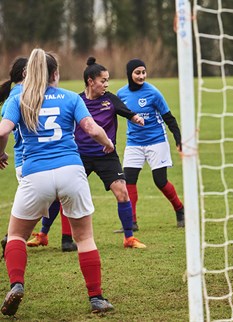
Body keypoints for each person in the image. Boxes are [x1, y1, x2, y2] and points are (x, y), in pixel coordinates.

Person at [0, 49, 114, 315]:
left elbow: (4, 130)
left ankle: (16, 284)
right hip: (71, 171)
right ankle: (96, 298)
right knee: (84, 238)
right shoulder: (71, 97)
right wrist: (107, 142)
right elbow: (91, 128)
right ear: (55, 74)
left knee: (16, 235)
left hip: (35, 174)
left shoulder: (20, 98)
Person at [29, 57, 147, 249]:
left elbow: (127, 112)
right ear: (91, 81)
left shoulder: (110, 99)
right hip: (79, 156)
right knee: (59, 195)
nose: (106, 84)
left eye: (107, 80)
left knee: (122, 192)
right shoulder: (77, 100)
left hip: (106, 155)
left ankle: (129, 238)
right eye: (103, 80)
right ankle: (43, 234)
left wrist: (136, 118)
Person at [0, 57, 77, 253]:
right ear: (27, 73)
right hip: (32, 160)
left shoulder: (15, 96)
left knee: (52, 198)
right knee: (55, 197)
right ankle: (13, 239)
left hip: (26, 161)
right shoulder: (26, 95)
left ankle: (58, 237)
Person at [116, 59, 185, 230]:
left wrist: (178, 138)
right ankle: (132, 222)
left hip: (156, 142)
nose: (141, 76)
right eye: (137, 73)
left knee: (160, 181)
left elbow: (169, 117)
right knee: (129, 180)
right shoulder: (121, 94)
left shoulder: (153, 93)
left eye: (143, 72)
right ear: (129, 74)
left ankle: (180, 210)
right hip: (134, 143)